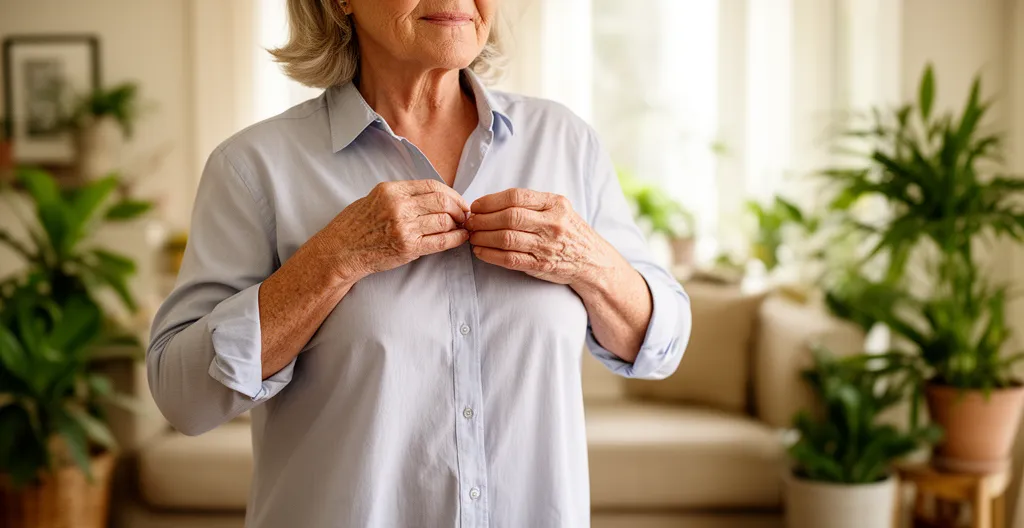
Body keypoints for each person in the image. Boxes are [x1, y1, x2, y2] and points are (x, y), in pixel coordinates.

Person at [147, 0, 692, 526]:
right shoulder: (253, 168)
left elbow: (659, 345)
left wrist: (588, 261)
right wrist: (335, 258)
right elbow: (184, 397)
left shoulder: (567, 143)